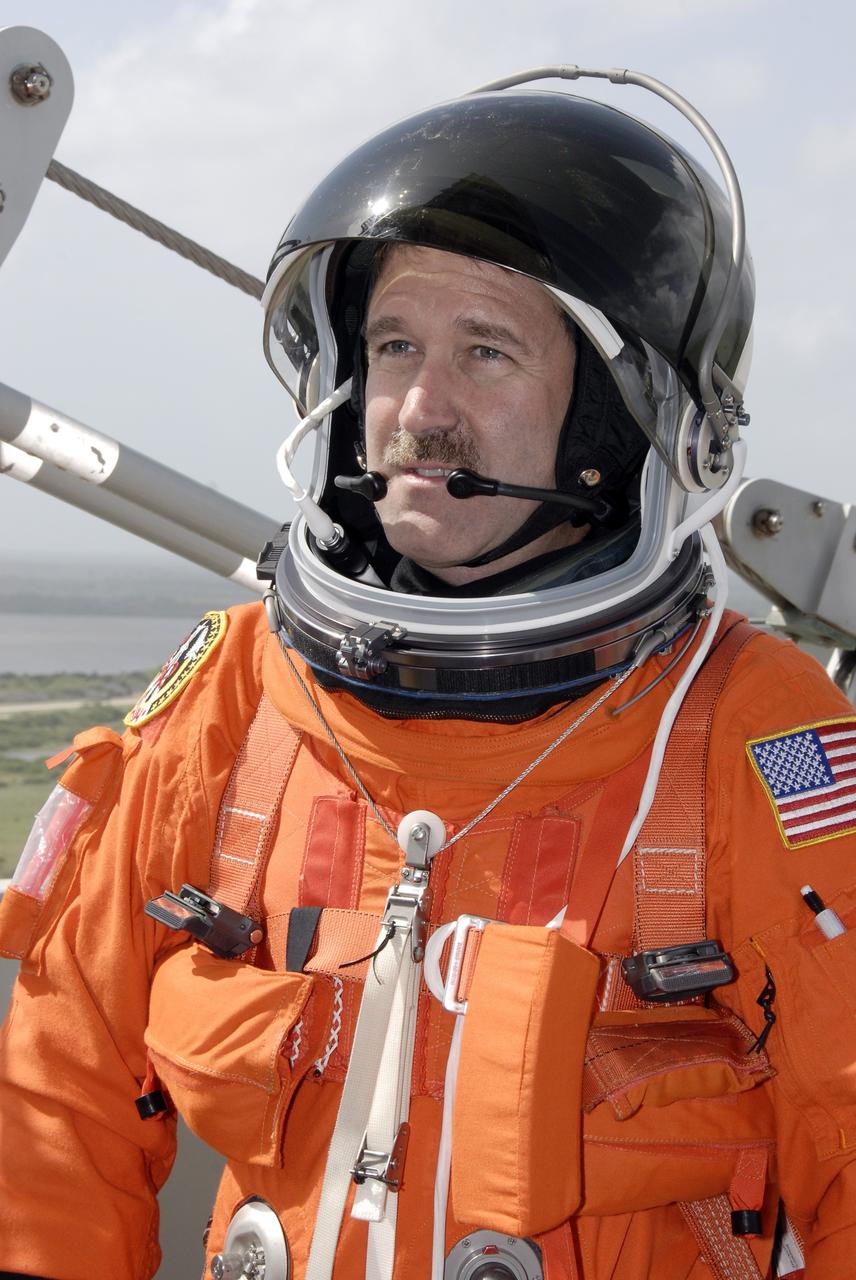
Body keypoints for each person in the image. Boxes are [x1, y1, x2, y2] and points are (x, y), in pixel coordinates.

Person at [1, 72, 855, 1280]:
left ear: (623, 419)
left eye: (487, 351)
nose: (418, 408)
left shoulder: (749, 729)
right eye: (394, 343)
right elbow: (57, 1106)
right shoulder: (234, 695)